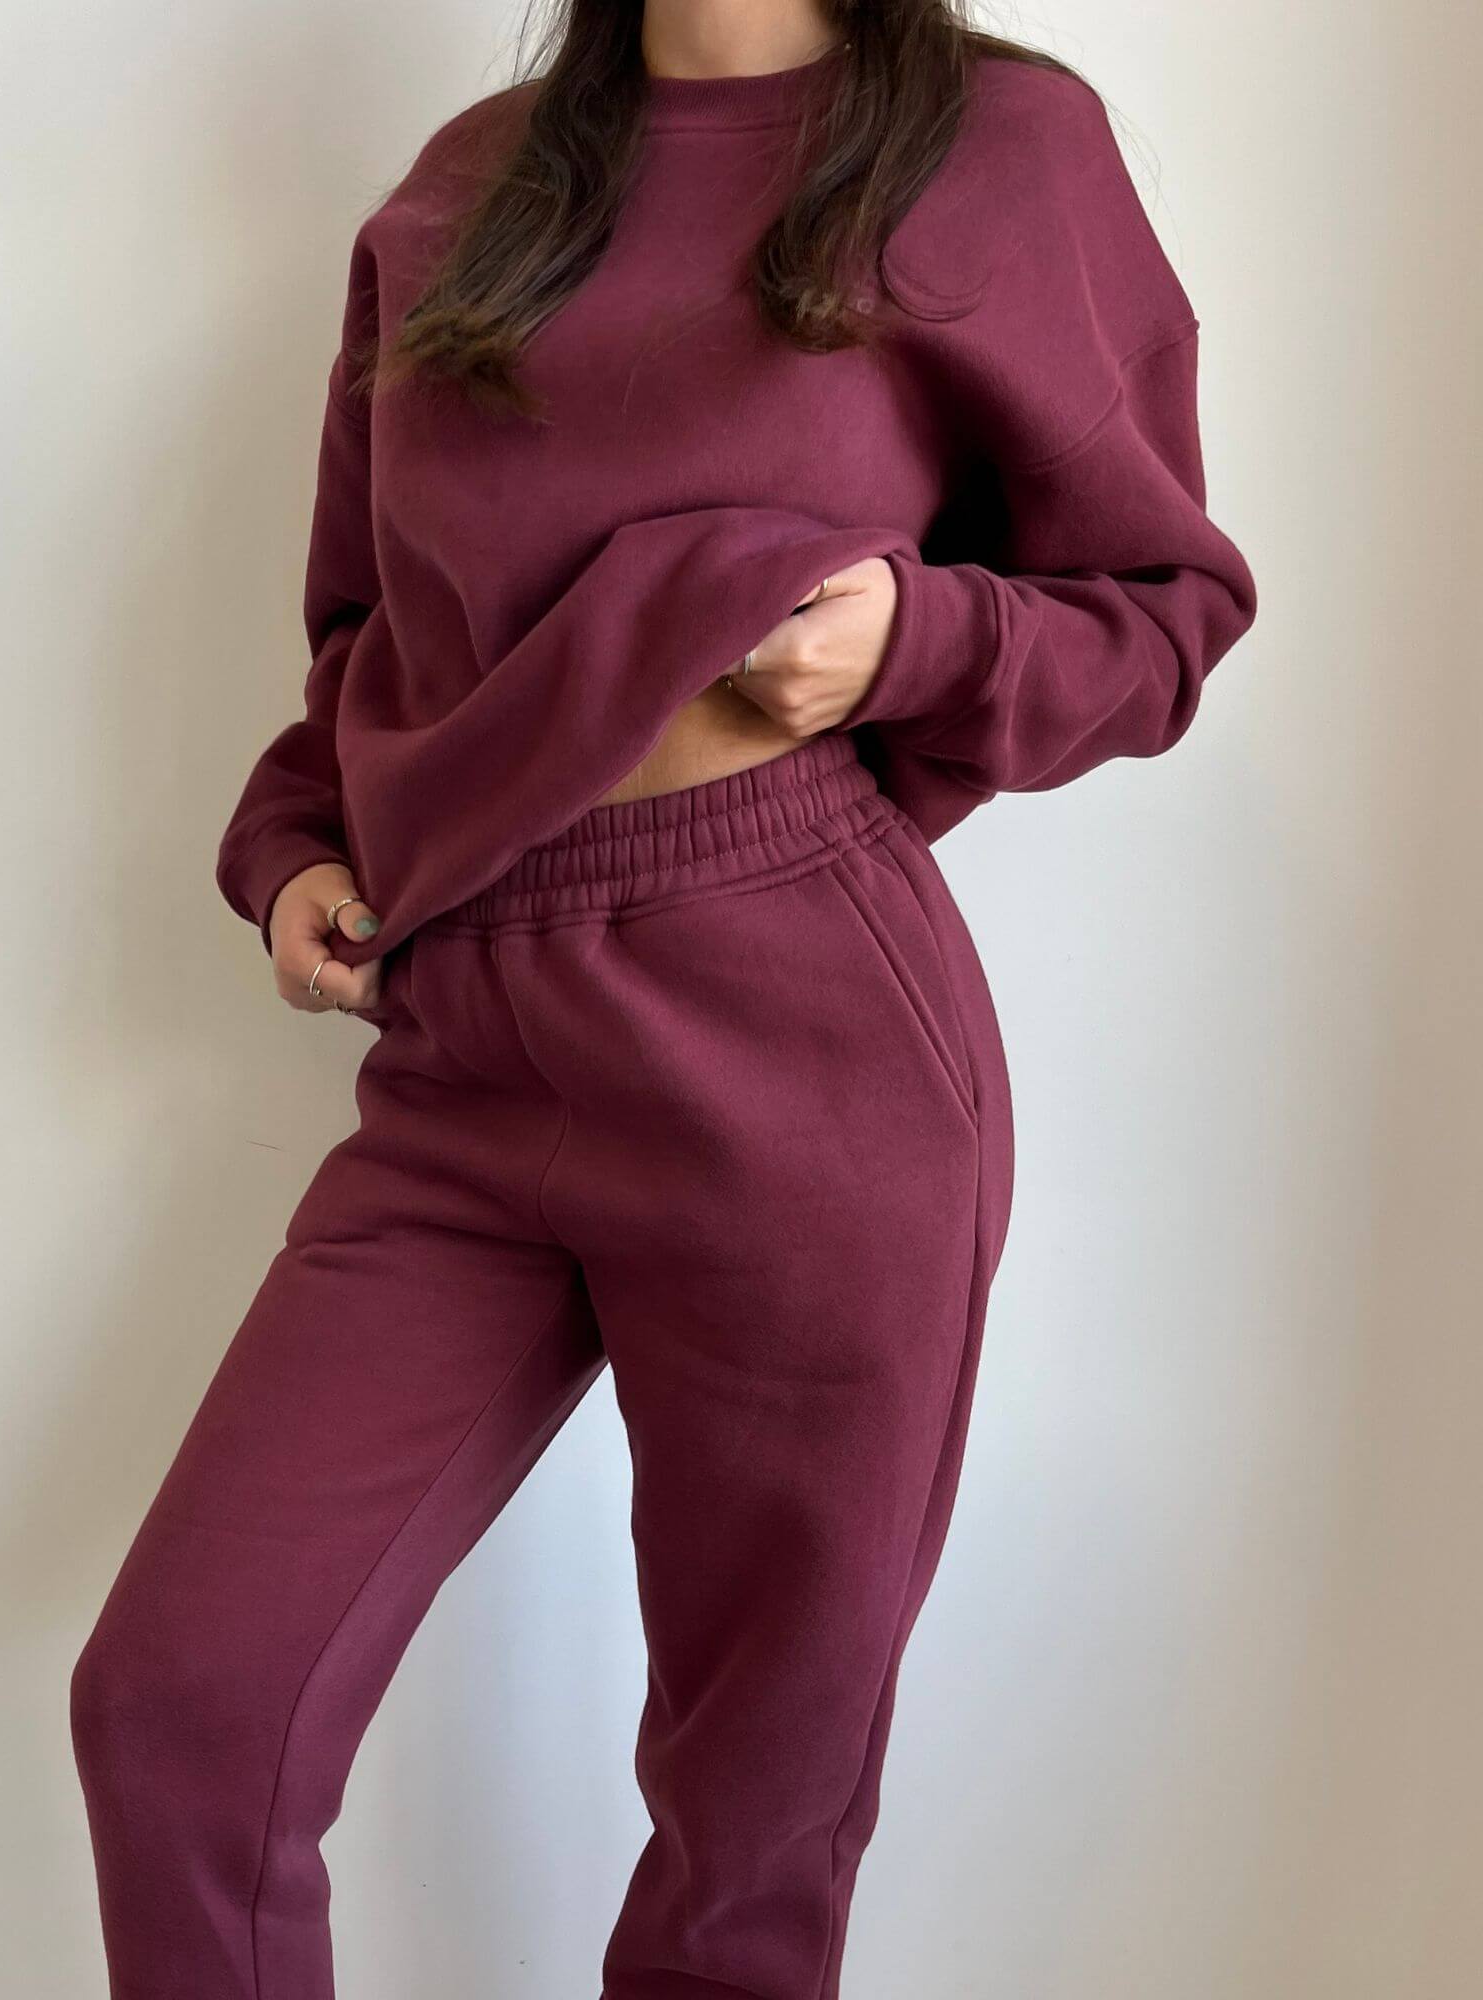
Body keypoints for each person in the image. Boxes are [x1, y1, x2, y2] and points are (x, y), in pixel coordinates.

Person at [70, 3, 1257, 1995]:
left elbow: (1161, 615)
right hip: (467, 1043)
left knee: (746, 1846)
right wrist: (291, 862)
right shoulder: (465, 189)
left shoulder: (996, 147)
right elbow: (368, 643)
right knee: (181, 1707)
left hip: (796, 1024)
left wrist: (914, 631)